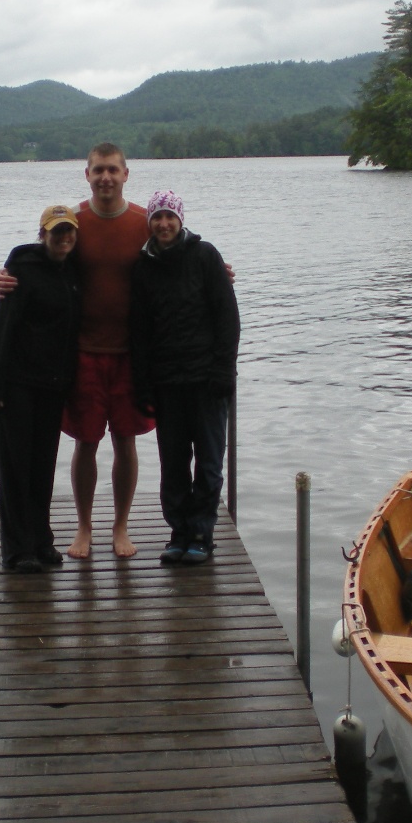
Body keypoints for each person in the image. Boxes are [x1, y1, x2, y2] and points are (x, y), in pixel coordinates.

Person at [0, 143, 155, 559]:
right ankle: (83, 528)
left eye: (113, 170)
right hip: (81, 352)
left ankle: (120, 527)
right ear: (87, 174)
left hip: (130, 354)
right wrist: (4, 278)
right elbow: (40, 258)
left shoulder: (143, 223)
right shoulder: (75, 223)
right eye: (98, 170)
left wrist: (219, 271)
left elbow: (179, 256)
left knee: (125, 440)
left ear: (125, 174)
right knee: (85, 441)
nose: (105, 177)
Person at [129, 190, 240, 565]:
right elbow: (139, 331)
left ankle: (201, 534)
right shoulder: (143, 267)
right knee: (173, 464)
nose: (163, 224)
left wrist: (224, 369)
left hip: (208, 381)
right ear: (150, 223)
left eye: (169, 217)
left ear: (180, 220)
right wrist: (142, 383)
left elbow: (227, 317)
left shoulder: (205, 255)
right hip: (166, 382)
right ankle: (177, 531)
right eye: (157, 217)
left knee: (209, 463)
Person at [0, 204, 82, 574]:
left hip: (53, 387)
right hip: (16, 386)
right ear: (43, 234)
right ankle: (17, 550)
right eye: (57, 232)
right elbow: (2, 327)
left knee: (42, 467)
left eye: (69, 231)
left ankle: (42, 541)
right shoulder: (21, 269)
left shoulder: (73, 269)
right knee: (15, 469)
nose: (64, 238)